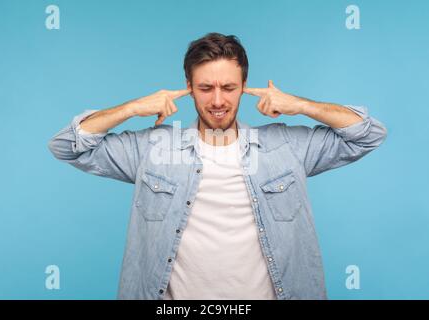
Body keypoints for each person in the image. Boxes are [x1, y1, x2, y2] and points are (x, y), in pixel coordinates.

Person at [48, 32, 387, 300]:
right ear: (189, 89)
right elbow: (67, 146)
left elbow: (367, 135)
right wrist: (132, 108)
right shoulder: (154, 148)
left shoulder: (286, 147)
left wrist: (299, 104)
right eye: (206, 88)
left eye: (229, 87)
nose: (218, 100)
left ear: (243, 88)